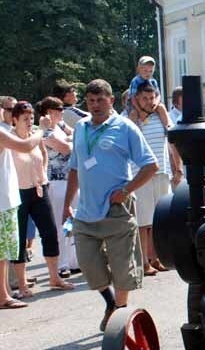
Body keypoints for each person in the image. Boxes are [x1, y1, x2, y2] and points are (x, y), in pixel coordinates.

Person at [63, 79, 159, 331]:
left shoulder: (125, 128)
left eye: (100, 100)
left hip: (117, 210)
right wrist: (67, 205)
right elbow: (74, 168)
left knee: (122, 268)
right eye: (91, 101)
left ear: (111, 100)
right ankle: (110, 301)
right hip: (85, 210)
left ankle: (120, 317)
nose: (95, 105)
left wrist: (126, 190)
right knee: (88, 264)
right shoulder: (81, 128)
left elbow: (151, 166)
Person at [0, 93, 44, 309]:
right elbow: (27, 145)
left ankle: (6, 292)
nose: (1, 111)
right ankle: (2, 296)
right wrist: (41, 130)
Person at [9, 101, 75, 297]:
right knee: (19, 238)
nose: (29, 122)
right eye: (25, 119)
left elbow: (43, 154)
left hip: (40, 189)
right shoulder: (10, 139)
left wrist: (41, 175)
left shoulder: (36, 135)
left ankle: (55, 277)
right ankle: (21, 284)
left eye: (31, 118)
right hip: (19, 192)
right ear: (14, 120)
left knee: (50, 232)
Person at [133, 81, 180, 276]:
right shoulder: (133, 117)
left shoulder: (160, 115)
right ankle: (143, 261)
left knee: (157, 220)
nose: (149, 102)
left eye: (152, 98)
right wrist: (137, 112)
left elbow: (171, 139)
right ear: (137, 99)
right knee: (143, 222)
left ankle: (156, 257)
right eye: (145, 98)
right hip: (142, 174)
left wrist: (177, 168)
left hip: (162, 171)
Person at [38, 96, 78, 278]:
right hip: (56, 181)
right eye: (58, 109)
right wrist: (70, 142)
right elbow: (66, 148)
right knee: (60, 224)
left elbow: (77, 136)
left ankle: (73, 260)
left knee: (72, 221)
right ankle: (62, 263)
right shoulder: (44, 132)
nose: (62, 112)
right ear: (49, 112)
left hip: (71, 179)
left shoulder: (61, 126)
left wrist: (70, 141)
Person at [126, 56, 171, 129]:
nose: (148, 74)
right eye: (145, 71)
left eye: (151, 71)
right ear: (139, 70)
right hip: (134, 104)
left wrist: (155, 105)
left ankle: (168, 127)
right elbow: (133, 97)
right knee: (133, 113)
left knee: (161, 107)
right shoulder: (135, 81)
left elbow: (158, 95)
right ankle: (134, 131)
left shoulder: (153, 81)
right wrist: (140, 111)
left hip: (151, 104)